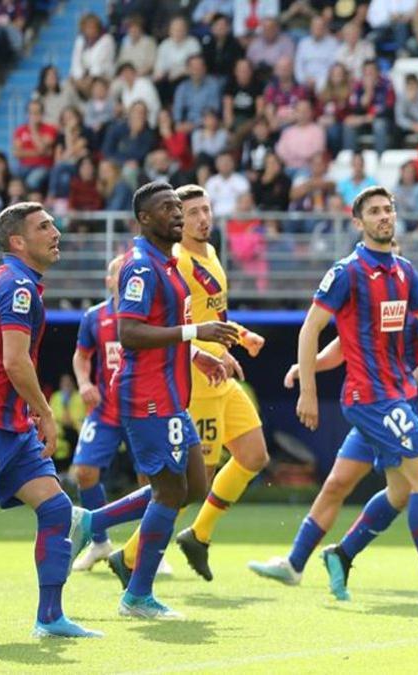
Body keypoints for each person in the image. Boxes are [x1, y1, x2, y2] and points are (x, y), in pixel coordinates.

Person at [289, 186, 418, 603]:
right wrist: (308, 389)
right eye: (374, 212)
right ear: (358, 223)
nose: (384, 216)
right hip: (371, 398)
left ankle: (341, 555)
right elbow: (311, 328)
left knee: (400, 491)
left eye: (388, 210)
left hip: (395, 395)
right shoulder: (347, 272)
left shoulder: (403, 271)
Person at [248, 242, 418, 588]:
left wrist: (403, 384)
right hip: (377, 407)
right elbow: (340, 348)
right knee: (340, 483)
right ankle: (297, 563)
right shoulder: (365, 298)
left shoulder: (413, 300)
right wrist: (305, 368)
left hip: (410, 409)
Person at [0, 202, 99, 637]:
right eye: (44, 226)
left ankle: (49, 619)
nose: (57, 232)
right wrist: (46, 412)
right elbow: (15, 363)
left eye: (54, 224)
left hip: (8, 426)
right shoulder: (17, 286)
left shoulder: (8, 281)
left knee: (55, 508)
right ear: (18, 241)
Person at [107, 182, 238, 618]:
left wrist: (196, 354)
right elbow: (128, 332)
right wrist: (193, 334)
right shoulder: (142, 267)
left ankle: (93, 523)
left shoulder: (168, 263)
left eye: (179, 207)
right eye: (168, 208)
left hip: (173, 392)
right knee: (169, 491)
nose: (178, 214)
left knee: (195, 486)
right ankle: (137, 595)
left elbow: (174, 327)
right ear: (145, 219)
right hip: (146, 394)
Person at [159, 185, 268, 581]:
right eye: (193, 213)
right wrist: (200, 355)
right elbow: (172, 326)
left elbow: (213, 314)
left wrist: (239, 336)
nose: (203, 218)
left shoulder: (211, 253)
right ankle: (134, 555)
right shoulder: (178, 261)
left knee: (254, 455)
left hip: (221, 372)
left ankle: (198, 536)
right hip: (198, 380)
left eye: (206, 210)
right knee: (192, 483)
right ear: (178, 219)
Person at [71, 256, 164, 572]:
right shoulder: (94, 317)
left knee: (150, 480)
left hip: (141, 408)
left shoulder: (148, 316)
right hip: (105, 410)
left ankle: (144, 550)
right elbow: (81, 357)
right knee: (84, 471)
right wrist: (84, 383)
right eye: (117, 274)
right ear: (109, 281)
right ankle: (99, 542)